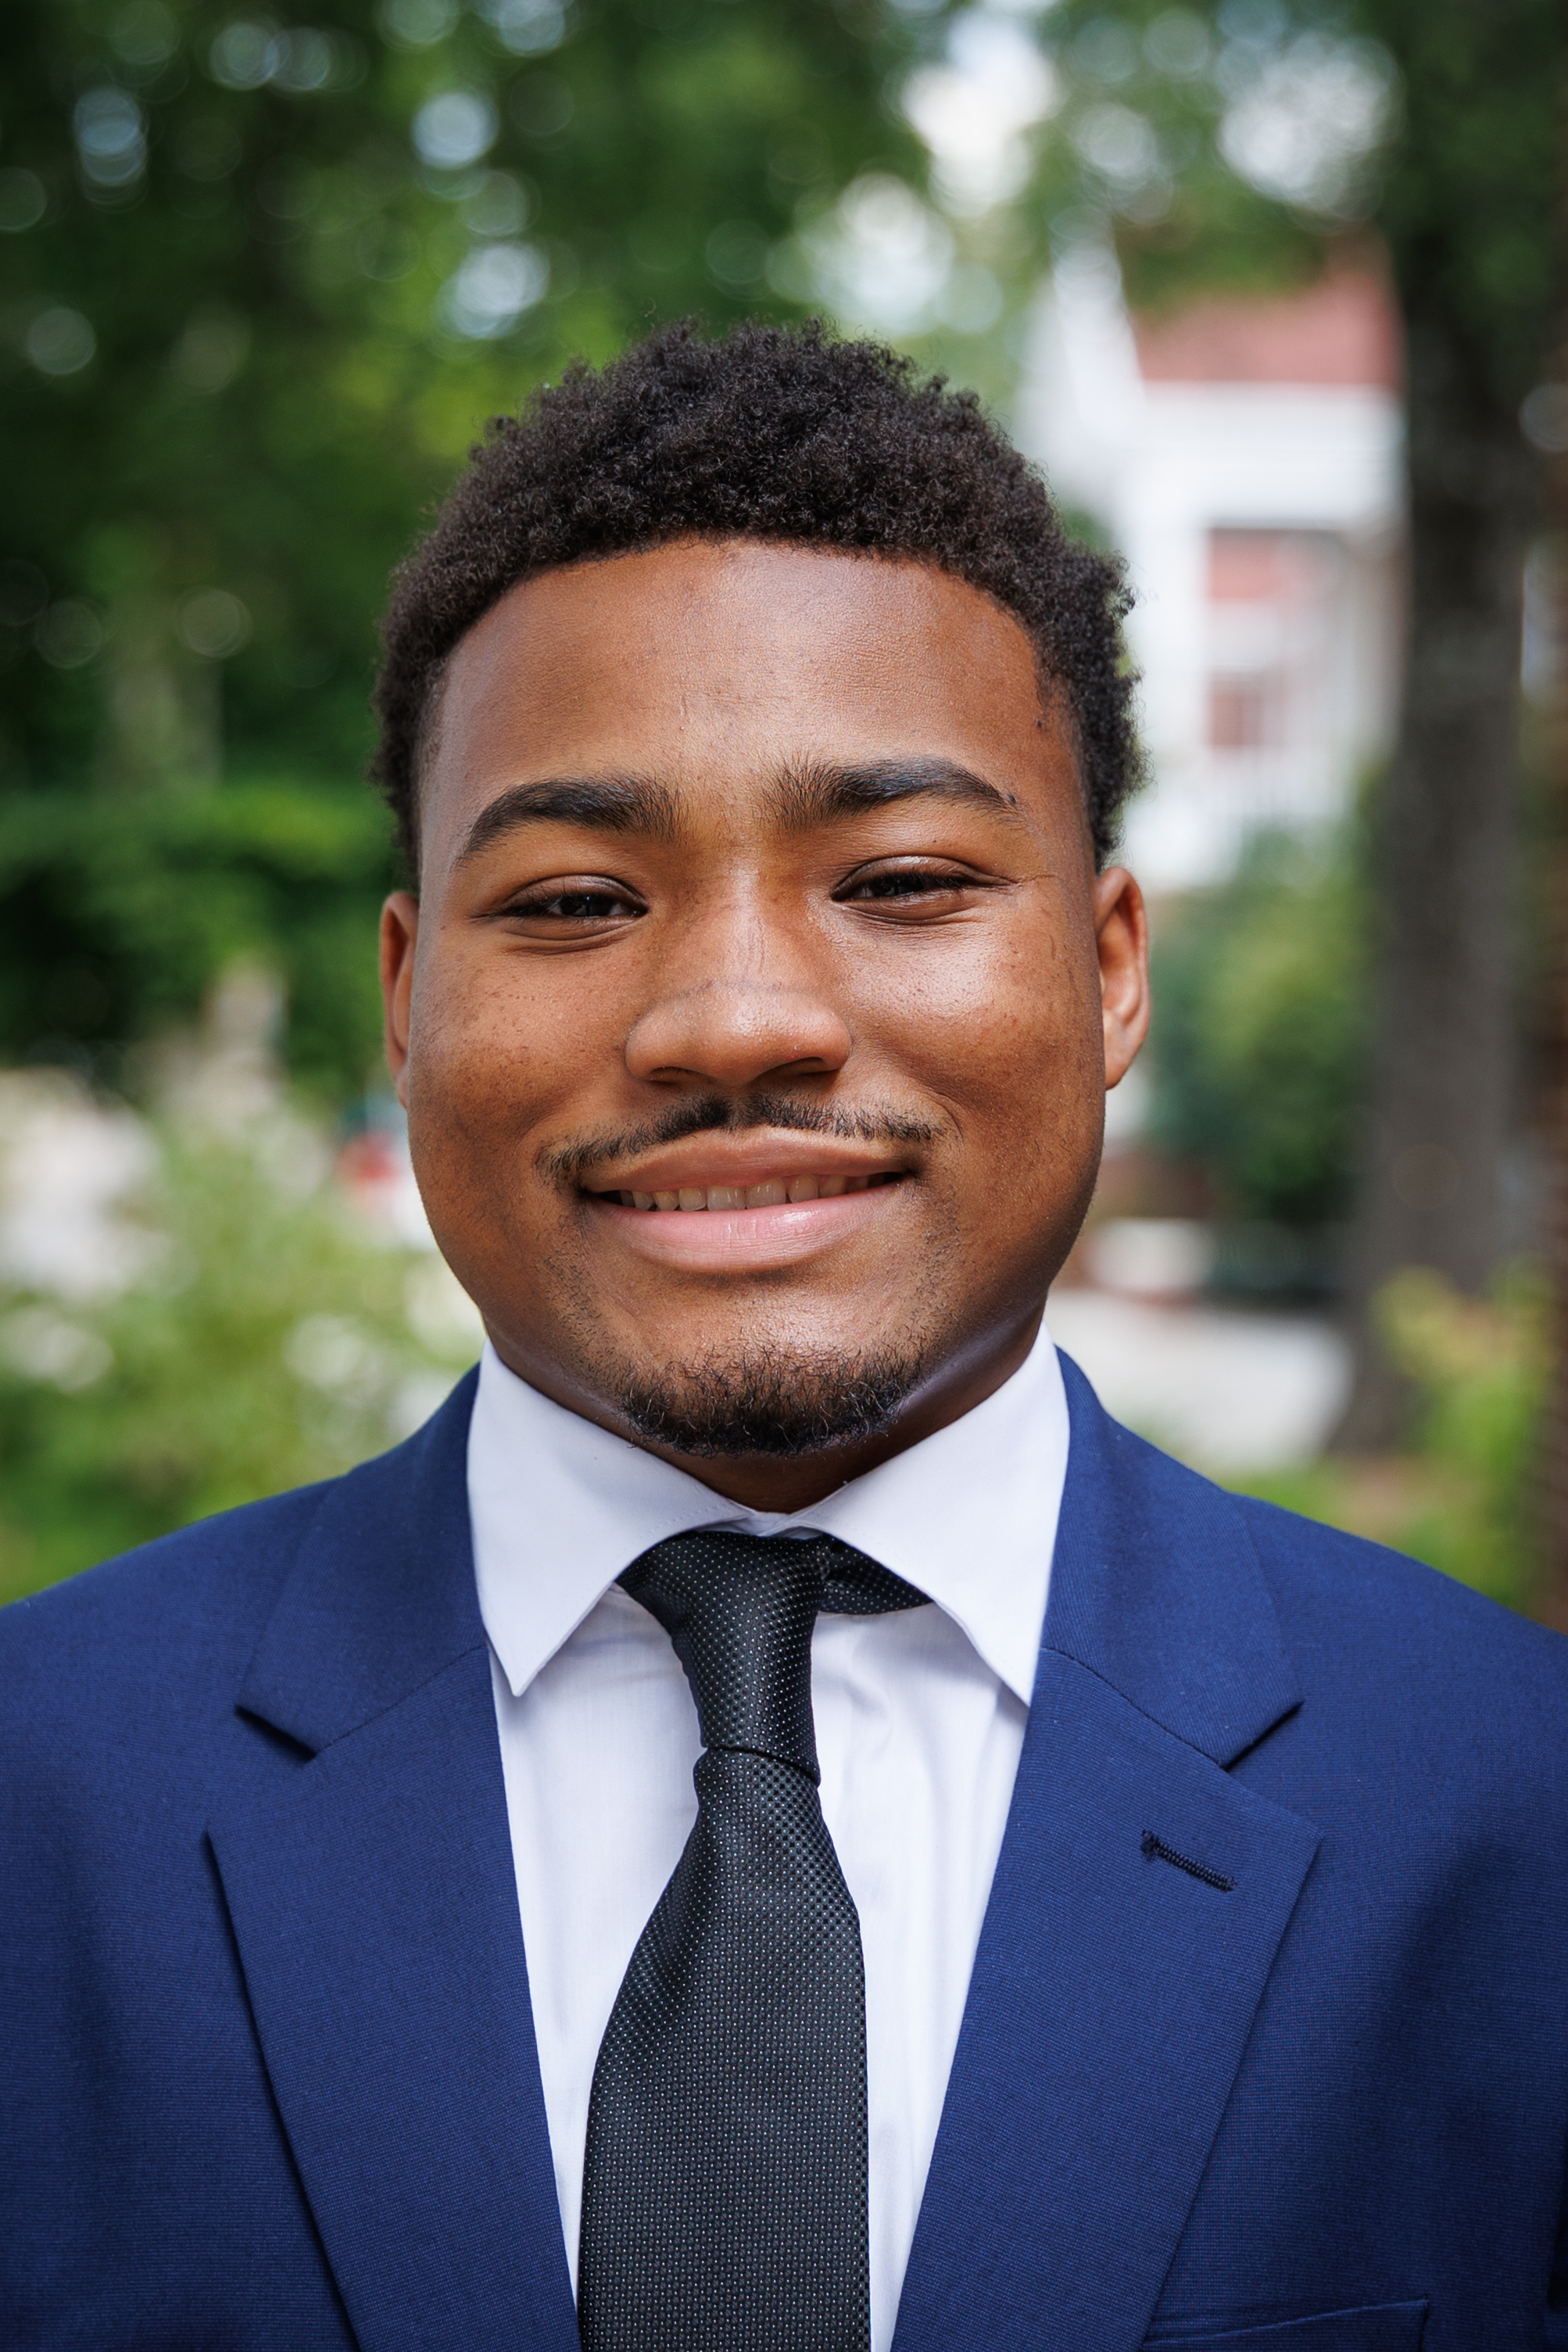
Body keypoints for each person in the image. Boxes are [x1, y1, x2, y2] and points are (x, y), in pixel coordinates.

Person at [3, 320, 1566, 2352]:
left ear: (1110, 971)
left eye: (900, 878)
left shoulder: (1514, 1808)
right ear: (404, 998)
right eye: (574, 901)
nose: (735, 1018)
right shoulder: (37, 1800)